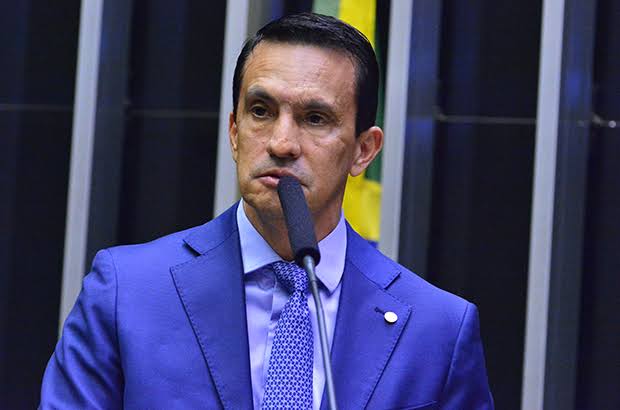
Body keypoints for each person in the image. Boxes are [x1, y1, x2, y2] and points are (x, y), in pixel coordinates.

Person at [40, 12, 494, 409]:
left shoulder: (437, 329)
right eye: (261, 111)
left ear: (363, 151)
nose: (281, 143)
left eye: (315, 118)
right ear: (234, 132)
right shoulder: (127, 292)